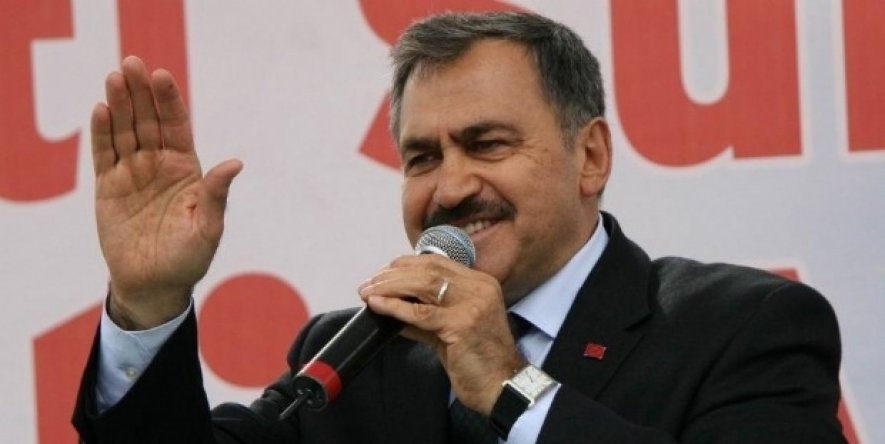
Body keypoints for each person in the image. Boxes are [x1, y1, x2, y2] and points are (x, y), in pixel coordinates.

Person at [73, 11, 845, 443]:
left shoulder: (744, 328)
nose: (449, 187)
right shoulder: (354, 356)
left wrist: (513, 389)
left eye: (488, 144)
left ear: (589, 156)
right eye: (421, 157)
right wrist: (147, 303)